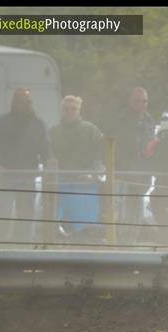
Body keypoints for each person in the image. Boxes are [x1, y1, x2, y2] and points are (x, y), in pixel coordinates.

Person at [0, 87, 51, 242]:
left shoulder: (38, 124)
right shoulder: (0, 122)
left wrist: (48, 168)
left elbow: (46, 149)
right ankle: (0, 244)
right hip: (6, 175)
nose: (25, 103)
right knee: (3, 212)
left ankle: (23, 245)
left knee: (26, 213)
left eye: (27, 101)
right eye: (21, 100)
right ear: (14, 102)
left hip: (28, 176)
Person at [48, 95, 105, 241]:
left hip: (85, 185)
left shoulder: (91, 129)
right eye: (67, 109)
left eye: (73, 109)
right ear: (62, 110)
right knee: (59, 225)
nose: (70, 111)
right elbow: (48, 154)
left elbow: (100, 154)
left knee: (86, 227)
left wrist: (95, 173)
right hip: (61, 183)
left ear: (79, 110)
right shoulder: (53, 131)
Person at [109, 87, 156, 241]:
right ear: (130, 101)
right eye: (137, 101)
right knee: (121, 213)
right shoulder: (120, 119)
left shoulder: (149, 120)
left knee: (136, 214)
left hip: (141, 174)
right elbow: (116, 144)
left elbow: (149, 145)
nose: (141, 104)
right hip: (123, 173)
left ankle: (130, 243)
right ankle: (119, 245)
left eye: (144, 101)